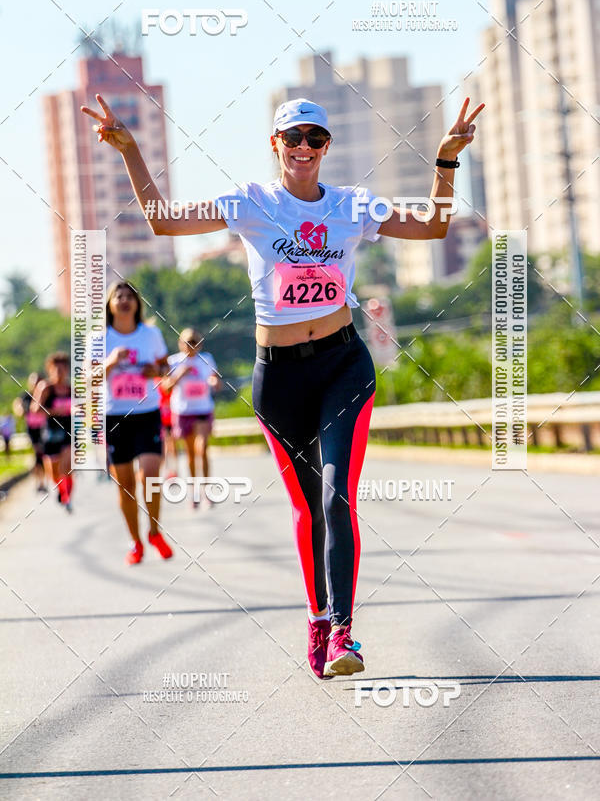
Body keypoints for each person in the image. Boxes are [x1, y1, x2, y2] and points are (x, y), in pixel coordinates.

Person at [82, 92, 483, 677]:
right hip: (280, 376)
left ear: (326, 147)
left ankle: (345, 632)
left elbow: (433, 226)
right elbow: (163, 219)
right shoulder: (251, 202)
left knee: (336, 496)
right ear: (275, 145)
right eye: (291, 138)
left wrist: (445, 163)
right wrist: (130, 151)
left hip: (343, 365)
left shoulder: (352, 205)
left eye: (314, 139)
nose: (302, 148)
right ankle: (318, 617)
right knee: (306, 508)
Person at [100, 280, 173, 565]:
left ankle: (154, 531)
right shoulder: (101, 337)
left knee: (151, 476)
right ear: (110, 304)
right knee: (126, 485)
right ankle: (136, 542)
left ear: (137, 303)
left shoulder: (150, 334)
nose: (124, 299)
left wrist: (153, 370)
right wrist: (110, 363)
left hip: (147, 413)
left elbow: (165, 368)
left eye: (130, 295)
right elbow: (87, 381)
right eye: (118, 295)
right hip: (115, 416)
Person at [162, 328, 221, 508]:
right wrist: (179, 375)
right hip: (183, 411)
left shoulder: (207, 359)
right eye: (187, 341)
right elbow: (165, 387)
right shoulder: (173, 361)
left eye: (194, 341)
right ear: (180, 343)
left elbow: (214, 378)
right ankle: (194, 491)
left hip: (203, 409)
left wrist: (214, 382)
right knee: (189, 453)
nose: (191, 345)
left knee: (201, 449)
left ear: (200, 343)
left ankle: (206, 491)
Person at [31, 353, 73, 511]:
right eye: (56, 369)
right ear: (50, 370)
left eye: (63, 368)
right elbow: (35, 409)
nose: (60, 372)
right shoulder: (46, 388)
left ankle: (68, 495)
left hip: (68, 433)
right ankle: (62, 490)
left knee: (67, 466)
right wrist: (55, 411)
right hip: (50, 433)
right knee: (54, 472)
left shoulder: (71, 389)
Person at [13, 373, 47, 491]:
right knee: (37, 454)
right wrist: (19, 409)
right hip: (32, 430)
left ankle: (42, 481)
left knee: (42, 455)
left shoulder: (45, 395)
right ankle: (39, 481)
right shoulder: (26, 396)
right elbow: (18, 408)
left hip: (44, 429)